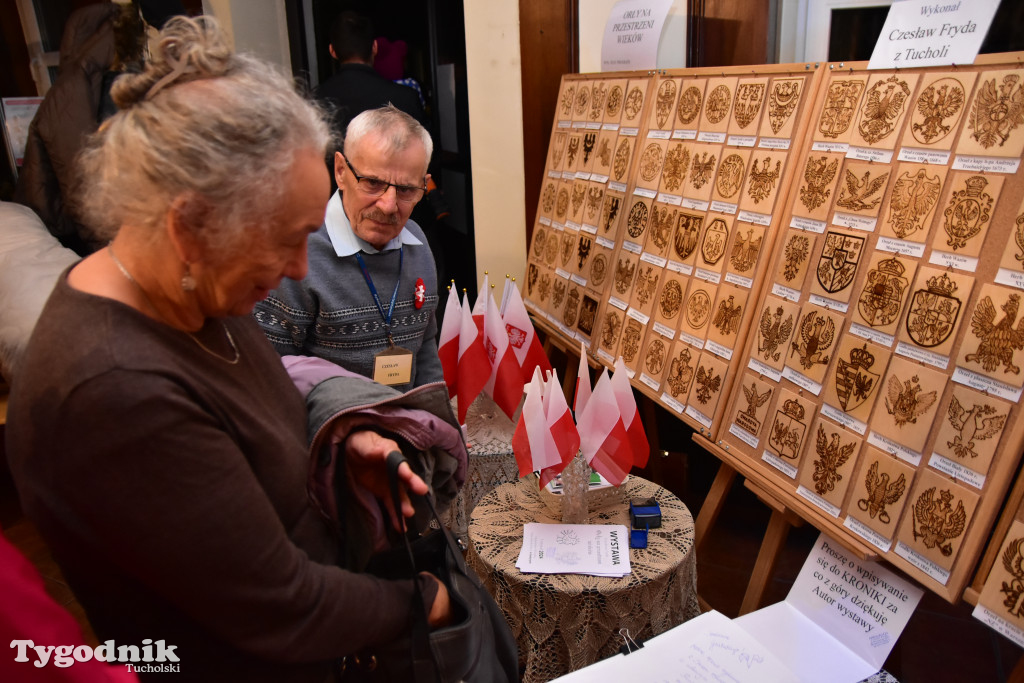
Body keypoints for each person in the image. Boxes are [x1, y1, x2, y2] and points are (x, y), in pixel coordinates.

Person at [6, 16, 455, 682]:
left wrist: (337, 439)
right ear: (191, 224)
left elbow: (255, 405)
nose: (302, 269)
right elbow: (282, 607)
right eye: (284, 239)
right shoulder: (110, 389)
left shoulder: (193, 287)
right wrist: (424, 602)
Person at [253, 105, 442, 391]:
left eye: (406, 190)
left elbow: (425, 348)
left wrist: (436, 423)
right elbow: (270, 381)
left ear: (423, 186)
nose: (389, 205)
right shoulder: (296, 254)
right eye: (373, 183)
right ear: (341, 171)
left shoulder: (417, 244)